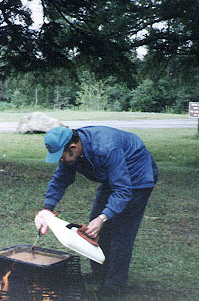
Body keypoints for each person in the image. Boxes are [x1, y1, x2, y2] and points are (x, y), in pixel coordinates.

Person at [35, 125, 158, 296]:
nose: (61, 160)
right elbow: (60, 179)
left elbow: (123, 190)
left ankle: (115, 284)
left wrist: (104, 217)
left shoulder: (106, 148)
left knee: (121, 232)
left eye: (61, 156)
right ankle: (99, 274)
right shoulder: (70, 151)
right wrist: (47, 209)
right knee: (95, 227)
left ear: (73, 147)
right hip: (113, 176)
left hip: (137, 177)